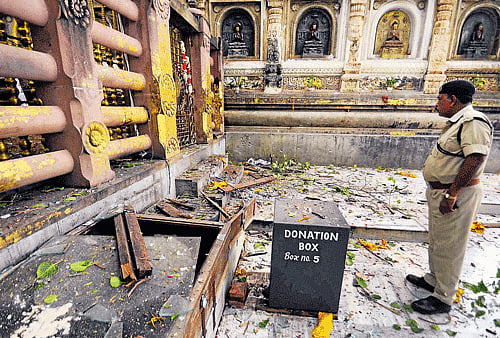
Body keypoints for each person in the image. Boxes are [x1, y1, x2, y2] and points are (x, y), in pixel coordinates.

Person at [407, 80, 493, 314]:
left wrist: (452, 193)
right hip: (442, 191)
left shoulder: (473, 122)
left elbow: (474, 160)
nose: (437, 104)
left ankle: (443, 297)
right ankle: (434, 280)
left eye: (440, 99)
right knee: (438, 239)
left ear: (453, 99)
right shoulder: (458, 123)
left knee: (451, 244)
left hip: (457, 194)